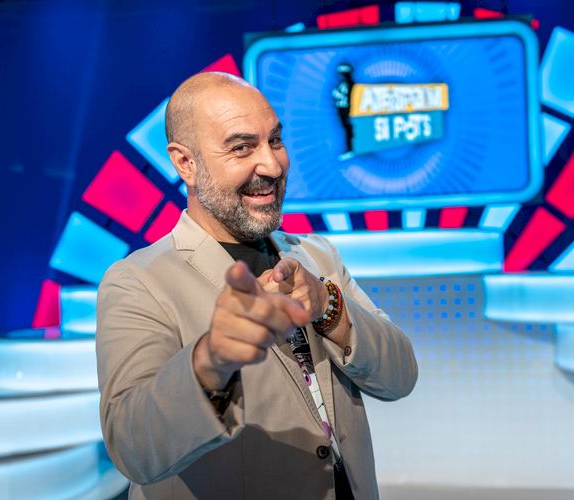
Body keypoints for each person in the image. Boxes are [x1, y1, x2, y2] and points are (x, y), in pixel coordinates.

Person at [96, 72, 418, 500]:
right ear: (186, 163)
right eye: (242, 147)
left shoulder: (317, 255)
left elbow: (400, 377)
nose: (272, 165)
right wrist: (210, 361)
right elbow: (133, 449)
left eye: (275, 141)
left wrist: (329, 308)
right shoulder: (138, 281)